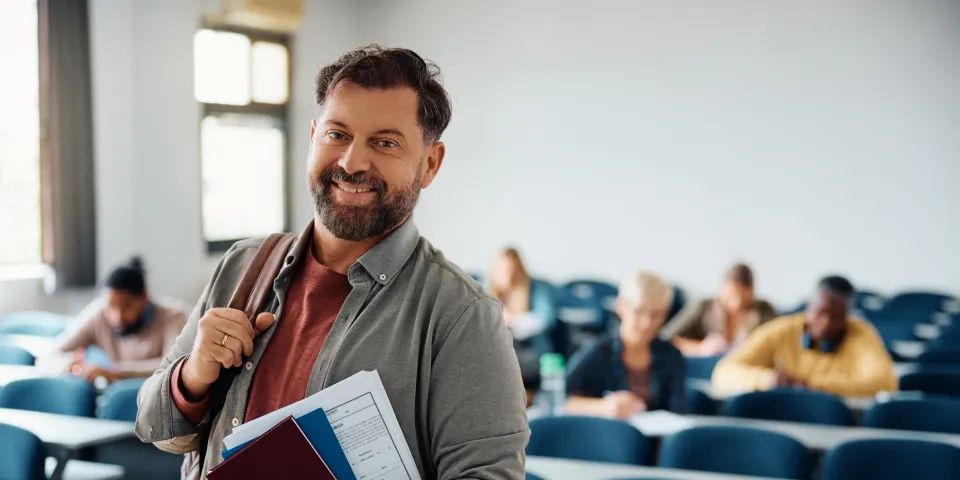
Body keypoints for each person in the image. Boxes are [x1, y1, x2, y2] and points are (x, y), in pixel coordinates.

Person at [134, 46, 528, 479]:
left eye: (385, 142)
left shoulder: (461, 316)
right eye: (337, 134)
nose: (351, 162)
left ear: (429, 164)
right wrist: (193, 376)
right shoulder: (243, 266)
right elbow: (152, 425)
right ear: (312, 137)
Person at [712, 275, 897, 397]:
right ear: (809, 306)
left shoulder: (862, 334)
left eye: (836, 317)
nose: (826, 323)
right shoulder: (782, 330)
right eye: (820, 312)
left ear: (848, 316)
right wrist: (769, 380)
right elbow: (724, 372)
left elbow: (885, 383)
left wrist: (810, 384)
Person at [565, 271, 687, 419]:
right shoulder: (598, 351)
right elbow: (558, 400)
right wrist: (603, 407)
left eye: (656, 314)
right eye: (639, 311)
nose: (647, 323)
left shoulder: (671, 355)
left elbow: (677, 411)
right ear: (621, 306)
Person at [54, 257, 187, 382]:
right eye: (111, 307)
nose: (118, 317)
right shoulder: (99, 315)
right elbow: (55, 353)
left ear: (144, 297)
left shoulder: (174, 317)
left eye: (127, 307)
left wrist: (116, 371)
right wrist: (70, 365)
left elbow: (173, 365)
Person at [663, 263, 776, 356]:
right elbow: (666, 338)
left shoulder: (764, 310)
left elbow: (777, 342)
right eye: (731, 296)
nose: (737, 304)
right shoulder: (704, 307)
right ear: (722, 288)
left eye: (744, 298)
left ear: (753, 292)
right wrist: (700, 347)